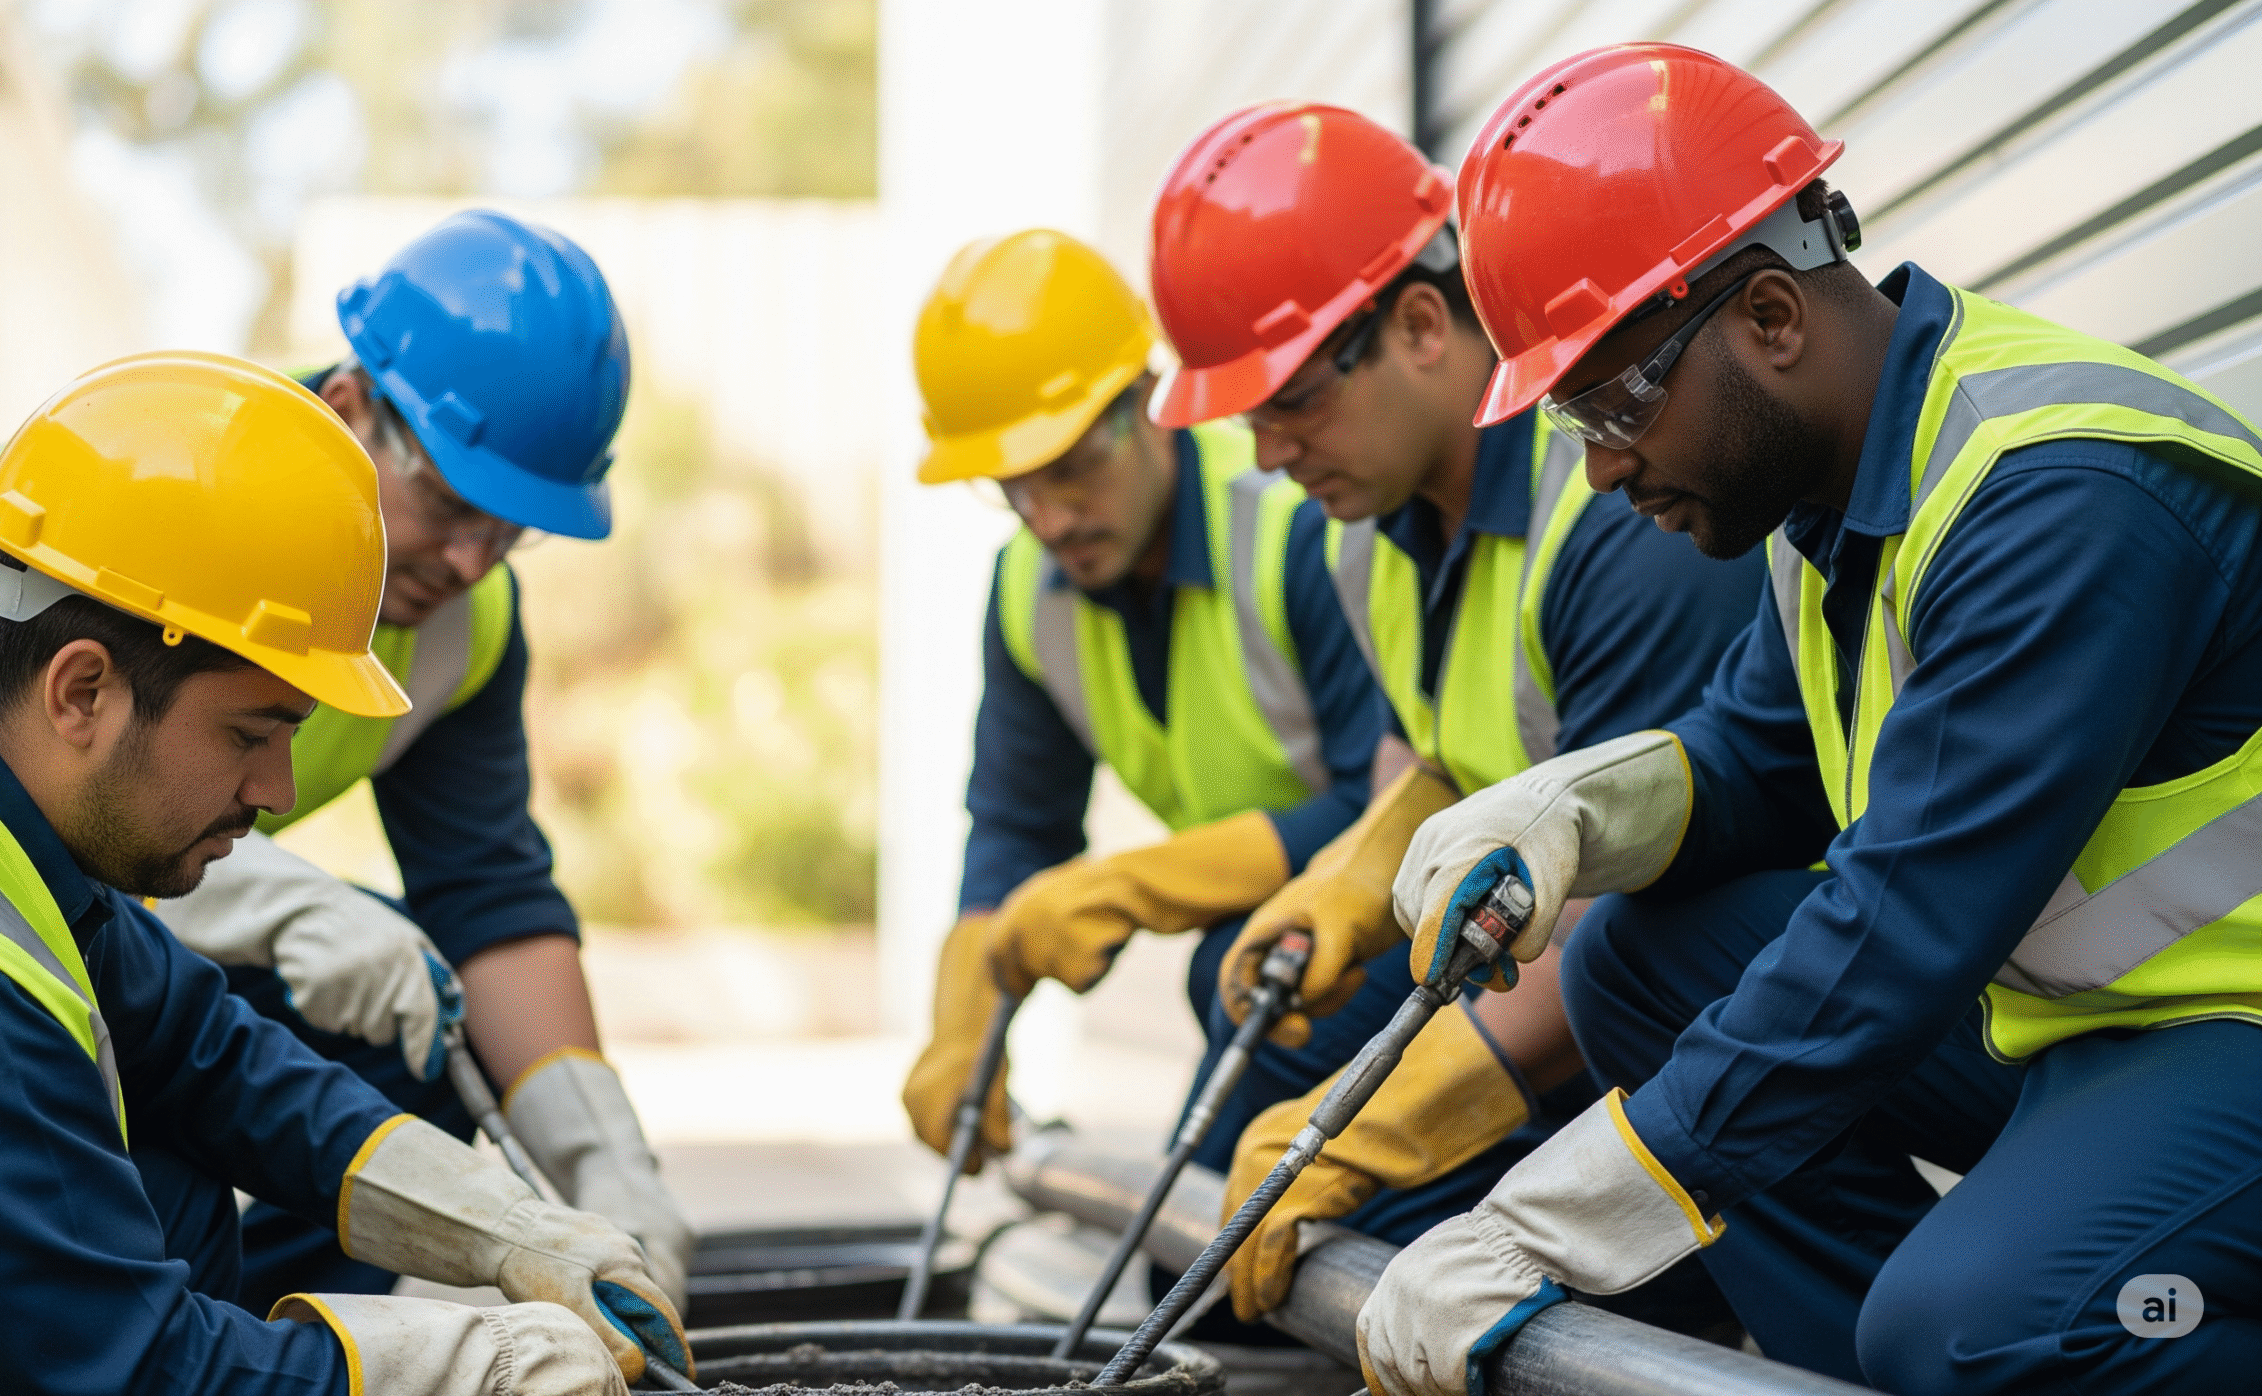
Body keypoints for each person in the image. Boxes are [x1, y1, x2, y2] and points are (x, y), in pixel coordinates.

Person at [1356, 43, 2262, 1396]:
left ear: (1772, 318)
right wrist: (1573, 817)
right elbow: (1754, 759)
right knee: (1639, 966)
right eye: (1568, 419)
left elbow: (1899, 927)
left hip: (2232, 1031)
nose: (1599, 468)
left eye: (1612, 402)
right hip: (2092, 1029)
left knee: (1975, 1332)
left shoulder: (2060, 497)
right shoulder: (1830, 503)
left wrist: (1544, 1225)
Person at [0, 209, 693, 1311]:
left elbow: (488, 895)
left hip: (66, 895)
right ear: (352, 406)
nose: (471, 560)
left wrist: (600, 1165)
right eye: (455, 503)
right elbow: (16, 795)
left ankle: (246, 1338)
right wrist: (288, 909)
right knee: (135, 1174)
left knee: (405, 1019)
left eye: (510, 530)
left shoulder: (464, 624)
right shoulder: (100, 502)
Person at [1140, 100, 1762, 1328]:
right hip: (1523, 936)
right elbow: (1425, 753)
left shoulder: (1615, 515)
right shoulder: (1361, 531)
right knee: (1250, 1039)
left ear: (1422, 326)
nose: (1265, 455)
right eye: (1247, 419)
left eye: (1290, 402)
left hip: (1653, 992)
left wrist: (1370, 1133)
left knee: (1358, 1228)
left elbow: (1625, 912)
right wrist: (1347, 880)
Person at [898, 229, 1382, 1176]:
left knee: (1223, 991)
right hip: (1268, 955)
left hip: (1397, 939)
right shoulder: (1026, 593)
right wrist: (966, 1018)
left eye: (1071, 466)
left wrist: (1137, 887)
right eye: (1013, 488)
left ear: (1151, 403)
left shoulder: (1296, 529)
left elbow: (1390, 805)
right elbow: (1018, 824)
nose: (1050, 519)